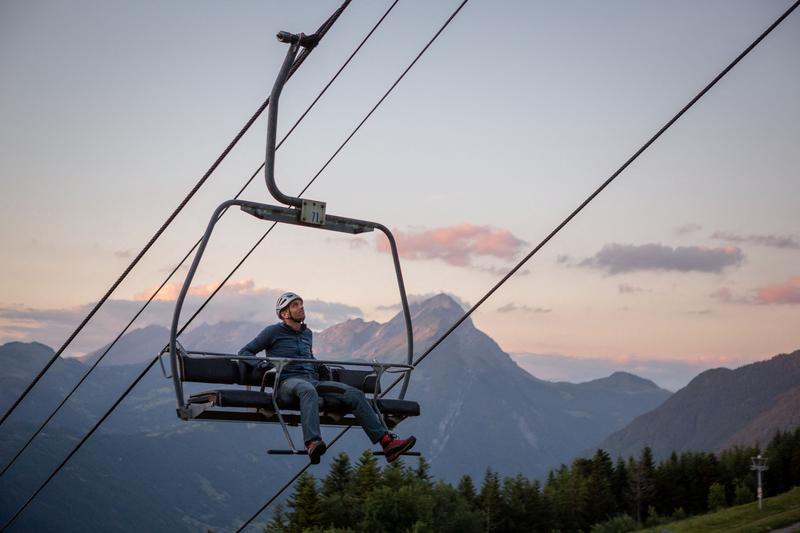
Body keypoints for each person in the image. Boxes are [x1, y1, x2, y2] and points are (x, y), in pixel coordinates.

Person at [239, 291, 416, 464]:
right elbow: (245, 352)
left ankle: (387, 443)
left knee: (354, 393)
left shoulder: (307, 334)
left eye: (301, 304)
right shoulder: (272, 332)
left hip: (311, 380)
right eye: (295, 305)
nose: (301, 307)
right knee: (307, 390)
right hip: (286, 383)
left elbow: (307, 357)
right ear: (284, 313)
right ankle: (312, 442)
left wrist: (319, 366)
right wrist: (263, 366)